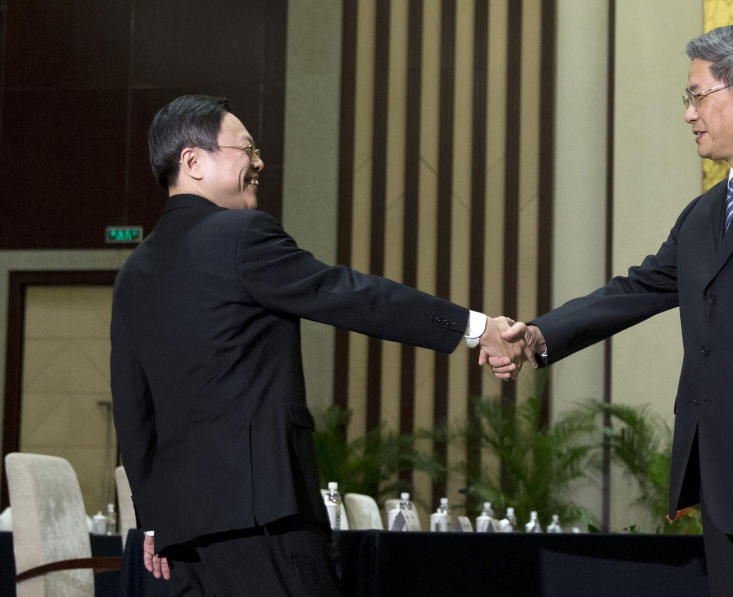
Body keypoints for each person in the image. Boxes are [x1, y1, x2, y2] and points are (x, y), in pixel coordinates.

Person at [484, 25, 733, 596]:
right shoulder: (704, 213)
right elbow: (637, 289)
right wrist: (538, 334)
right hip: (724, 484)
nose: (689, 114)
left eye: (698, 95)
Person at [111, 94, 524, 595]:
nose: (260, 161)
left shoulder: (134, 271)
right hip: (266, 525)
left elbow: (133, 410)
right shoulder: (239, 235)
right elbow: (354, 296)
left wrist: (153, 519)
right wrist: (477, 328)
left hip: (180, 547)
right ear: (193, 162)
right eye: (246, 149)